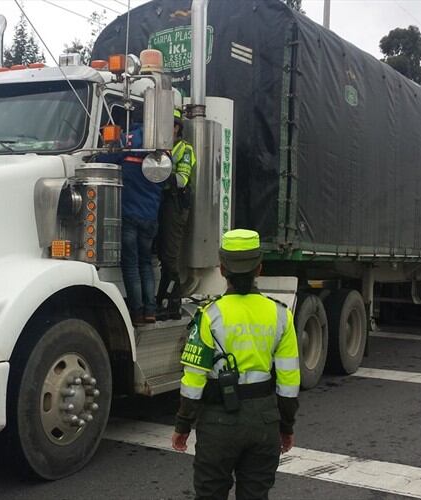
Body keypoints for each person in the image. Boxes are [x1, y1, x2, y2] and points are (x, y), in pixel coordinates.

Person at [171, 229, 300, 500]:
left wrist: (183, 426)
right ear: (259, 268)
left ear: (221, 269)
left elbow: (193, 382)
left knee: (210, 493)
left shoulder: (208, 316)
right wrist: (285, 427)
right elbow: (289, 385)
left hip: (219, 423)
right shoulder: (281, 316)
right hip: (264, 422)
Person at [114, 124, 163, 326]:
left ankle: (136, 312)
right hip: (151, 216)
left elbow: (105, 158)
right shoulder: (162, 147)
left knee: (131, 266)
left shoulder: (127, 140)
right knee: (145, 264)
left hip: (129, 215)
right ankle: (150, 311)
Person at [156, 108, 197, 320]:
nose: (166, 129)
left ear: (177, 128)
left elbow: (182, 179)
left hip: (175, 205)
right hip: (160, 204)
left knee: (170, 257)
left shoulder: (184, 149)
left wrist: (161, 174)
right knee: (161, 254)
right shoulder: (156, 148)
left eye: (170, 125)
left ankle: (172, 302)